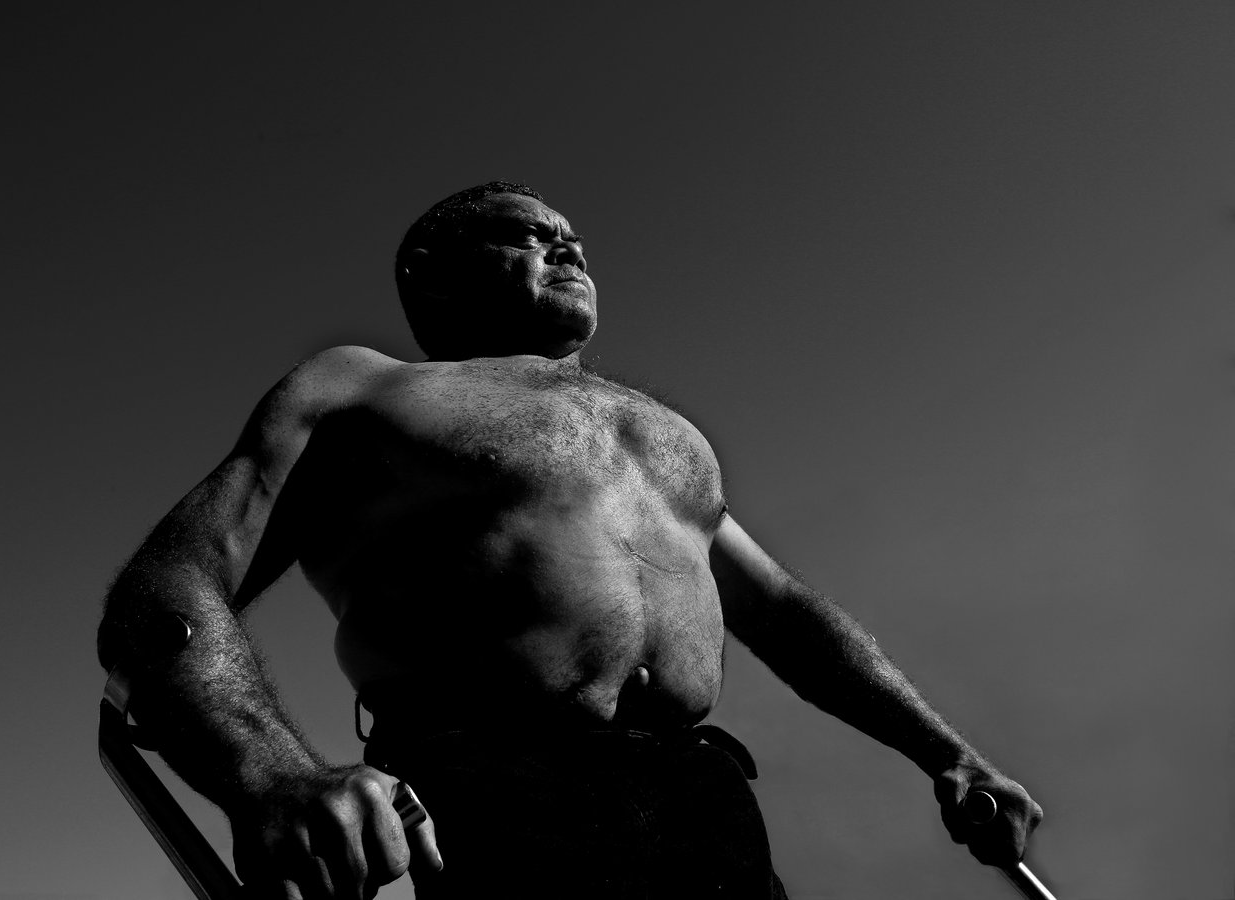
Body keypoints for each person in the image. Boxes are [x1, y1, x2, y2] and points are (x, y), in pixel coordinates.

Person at [97, 181, 1043, 899]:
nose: (568, 247)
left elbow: (787, 616)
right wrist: (271, 776)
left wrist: (949, 753)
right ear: (434, 270)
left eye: (574, 238)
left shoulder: (664, 433)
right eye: (530, 234)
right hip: (497, 795)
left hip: (706, 796)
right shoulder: (359, 388)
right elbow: (166, 589)